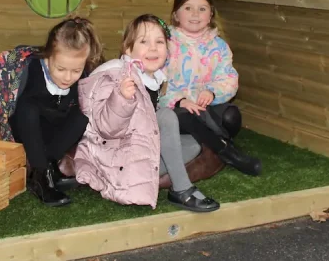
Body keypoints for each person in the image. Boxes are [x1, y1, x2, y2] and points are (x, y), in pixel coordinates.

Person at [73, 14, 220, 212]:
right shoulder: (118, 76)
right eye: (144, 41)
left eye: (159, 42)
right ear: (128, 49)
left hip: (133, 148)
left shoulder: (153, 78)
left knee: (192, 145)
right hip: (112, 153)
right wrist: (121, 99)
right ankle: (182, 189)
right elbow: (107, 129)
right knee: (166, 116)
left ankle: (144, 175)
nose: (153, 48)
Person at [0, 16, 103, 207]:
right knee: (29, 108)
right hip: (21, 130)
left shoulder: (86, 76)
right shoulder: (17, 65)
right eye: (61, 68)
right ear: (48, 56)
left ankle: (47, 168)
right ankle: (40, 177)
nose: (68, 77)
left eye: (76, 71)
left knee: (82, 118)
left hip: (50, 135)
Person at [161, 0, 262, 176]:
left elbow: (229, 78)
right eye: (188, 8)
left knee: (231, 116)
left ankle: (209, 143)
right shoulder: (165, 43)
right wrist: (180, 100)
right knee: (183, 115)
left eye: (202, 8)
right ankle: (227, 151)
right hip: (178, 108)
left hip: (205, 106)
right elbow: (158, 82)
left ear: (211, 14)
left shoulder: (219, 46)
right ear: (176, 14)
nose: (195, 14)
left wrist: (212, 92)